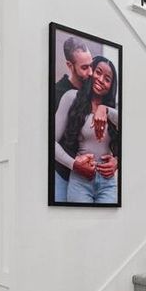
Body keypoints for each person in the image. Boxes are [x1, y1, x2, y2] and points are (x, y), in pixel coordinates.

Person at [53, 56, 120, 204]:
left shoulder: (113, 111)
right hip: (80, 180)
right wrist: (74, 165)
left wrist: (118, 161)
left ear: (111, 86)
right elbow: (51, 143)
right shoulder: (71, 97)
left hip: (108, 183)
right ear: (91, 72)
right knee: (78, 224)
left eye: (107, 79)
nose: (101, 80)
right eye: (98, 72)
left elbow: (134, 131)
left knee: (111, 225)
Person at [52, 37, 93, 201]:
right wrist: (74, 164)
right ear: (70, 65)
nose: (90, 72)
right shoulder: (57, 93)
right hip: (62, 176)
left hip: (92, 180)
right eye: (84, 67)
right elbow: (50, 140)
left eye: (91, 65)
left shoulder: (95, 90)